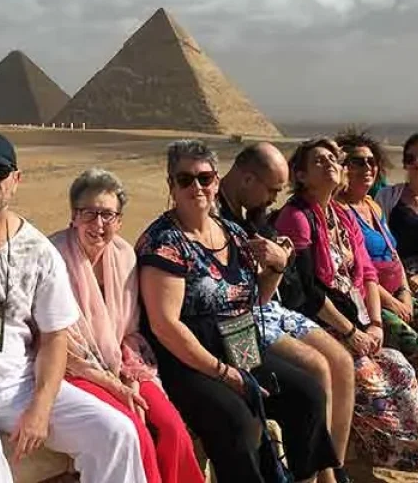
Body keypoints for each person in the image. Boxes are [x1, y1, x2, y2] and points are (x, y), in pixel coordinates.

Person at [0, 133, 146, 483]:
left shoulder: (38, 251)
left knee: (118, 432)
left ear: (15, 180)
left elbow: (54, 338)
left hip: (20, 380)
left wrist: (41, 408)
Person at [136, 139, 338, 483]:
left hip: (240, 342)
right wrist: (223, 373)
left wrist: (275, 268)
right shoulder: (164, 242)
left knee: (307, 395)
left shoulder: (232, 232)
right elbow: (165, 325)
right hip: (190, 358)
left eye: (204, 178)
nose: (196, 187)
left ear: (216, 181)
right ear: (171, 185)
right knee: (239, 423)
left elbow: (254, 299)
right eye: (184, 179)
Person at [274, 137, 418, 481]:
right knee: (372, 377)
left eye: (335, 158)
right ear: (301, 176)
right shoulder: (297, 218)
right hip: (322, 323)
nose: (333, 164)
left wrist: (375, 323)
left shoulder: (342, 216)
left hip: (360, 319)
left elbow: (365, 272)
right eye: (321, 161)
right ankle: (354, 467)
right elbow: (307, 291)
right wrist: (353, 332)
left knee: (401, 368)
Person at [50, 168, 206, 483]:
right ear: (73, 216)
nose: (98, 225)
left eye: (108, 215)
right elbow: (59, 346)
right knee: (136, 432)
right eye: (89, 214)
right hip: (75, 371)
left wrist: (131, 375)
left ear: (119, 221)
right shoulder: (51, 257)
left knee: (173, 430)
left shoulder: (124, 257)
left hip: (123, 363)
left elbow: (131, 331)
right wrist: (115, 386)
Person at [218, 142, 355, 483]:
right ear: (248, 179)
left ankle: (330, 472)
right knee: (316, 372)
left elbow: (268, 291)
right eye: (272, 190)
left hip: (261, 310)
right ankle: (318, 477)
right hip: (230, 326)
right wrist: (276, 267)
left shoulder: (250, 212)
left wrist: (279, 262)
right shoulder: (210, 220)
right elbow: (238, 303)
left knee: (340, 362)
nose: (273, 200)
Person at [336, 129, 418, 457]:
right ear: (343, 168)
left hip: (412, 286)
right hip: (373, 300)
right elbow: (362, 273)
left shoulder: (373, 206)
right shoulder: (350, 211)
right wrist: (397, 296)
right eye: (357, 162)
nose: (366, 168)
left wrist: (407, 292)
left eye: (371, 162)